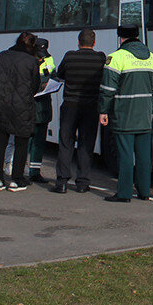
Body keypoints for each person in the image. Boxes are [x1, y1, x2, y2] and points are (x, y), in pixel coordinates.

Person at [98, 25, 153, 203]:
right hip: (144, 116)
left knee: (125, 156)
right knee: (144, 157)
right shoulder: (152, 58)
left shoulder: (116, 57)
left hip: (124, 115)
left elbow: (108, 89)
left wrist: (104, 110)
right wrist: (150, 108)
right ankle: (144, 192)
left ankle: (124, 193)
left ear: (121, 38)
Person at [53, 28, 106, 194]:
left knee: (66, 142)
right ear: (94, 43)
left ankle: (62, 182)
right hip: (91, 106)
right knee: (86, 144)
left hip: (70, 105)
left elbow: (60, 74)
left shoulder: (70, 56)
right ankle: (82, 182)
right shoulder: (100, 58)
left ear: (78, 41)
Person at [0, 32, 40, 191]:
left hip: (2, 105)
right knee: (21, 143)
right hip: (22, 106)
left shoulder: (2, 56)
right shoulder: (31, 61)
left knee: (0, 142)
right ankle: (16, 179)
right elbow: (35, 86)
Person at [28, 38, 57, 183]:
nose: (41, 56)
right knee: (25, 142)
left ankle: (34, 172)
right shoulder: (26, 60)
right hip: (28, 107)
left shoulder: (49, 59)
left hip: (43, 107)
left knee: (39, 143)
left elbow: (55, 76)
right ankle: (18, 171)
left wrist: (51, 83)